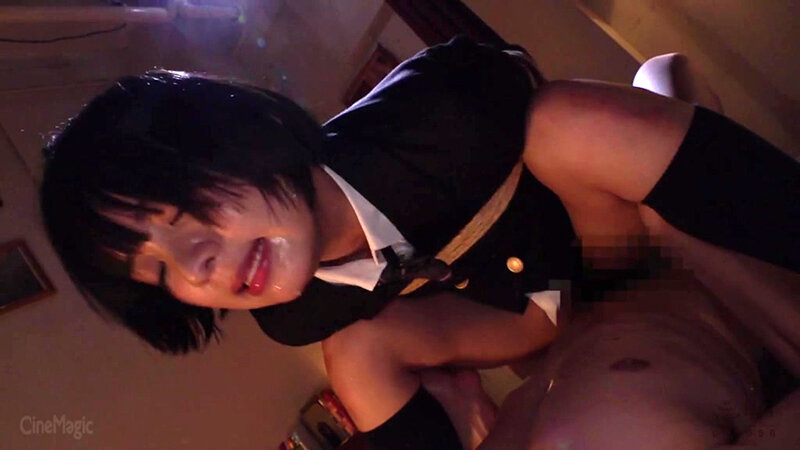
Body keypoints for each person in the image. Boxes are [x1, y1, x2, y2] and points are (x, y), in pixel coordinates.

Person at [40, 37, 798, 449]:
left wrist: (653, 213)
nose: (197, 264)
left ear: (244, 133)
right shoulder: (293, 315)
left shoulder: (444, 109)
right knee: (354, 353)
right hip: (534, 306)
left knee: (570, 122)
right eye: (158, 272)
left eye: (182, 209)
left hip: (599, 238)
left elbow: (522, 99)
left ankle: (663, 96)